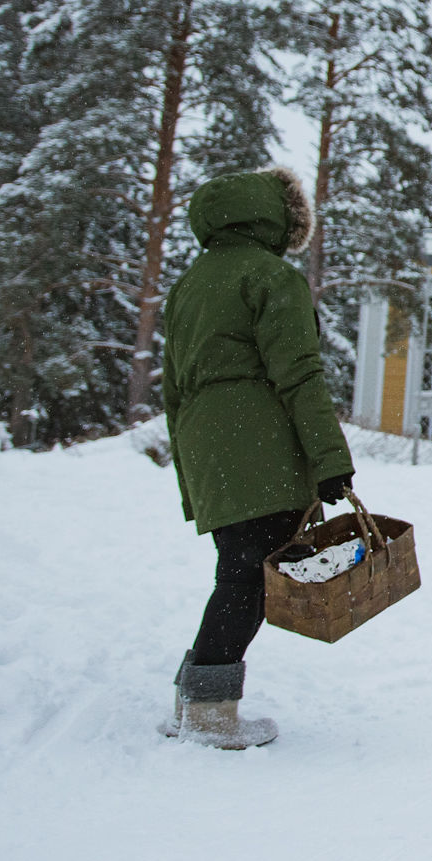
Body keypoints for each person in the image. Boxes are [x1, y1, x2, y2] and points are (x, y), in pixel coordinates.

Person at [158, 167, 355, 749]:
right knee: (251, 578)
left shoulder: (190, 284)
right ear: (279, 219)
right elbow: (300, 374)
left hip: (206, 439)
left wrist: (191, 475)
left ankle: (193, 696)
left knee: (238, 569)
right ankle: (209, 711)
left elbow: (172, 388)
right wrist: (329, 460)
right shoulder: (272, 277)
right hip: (260, 440)